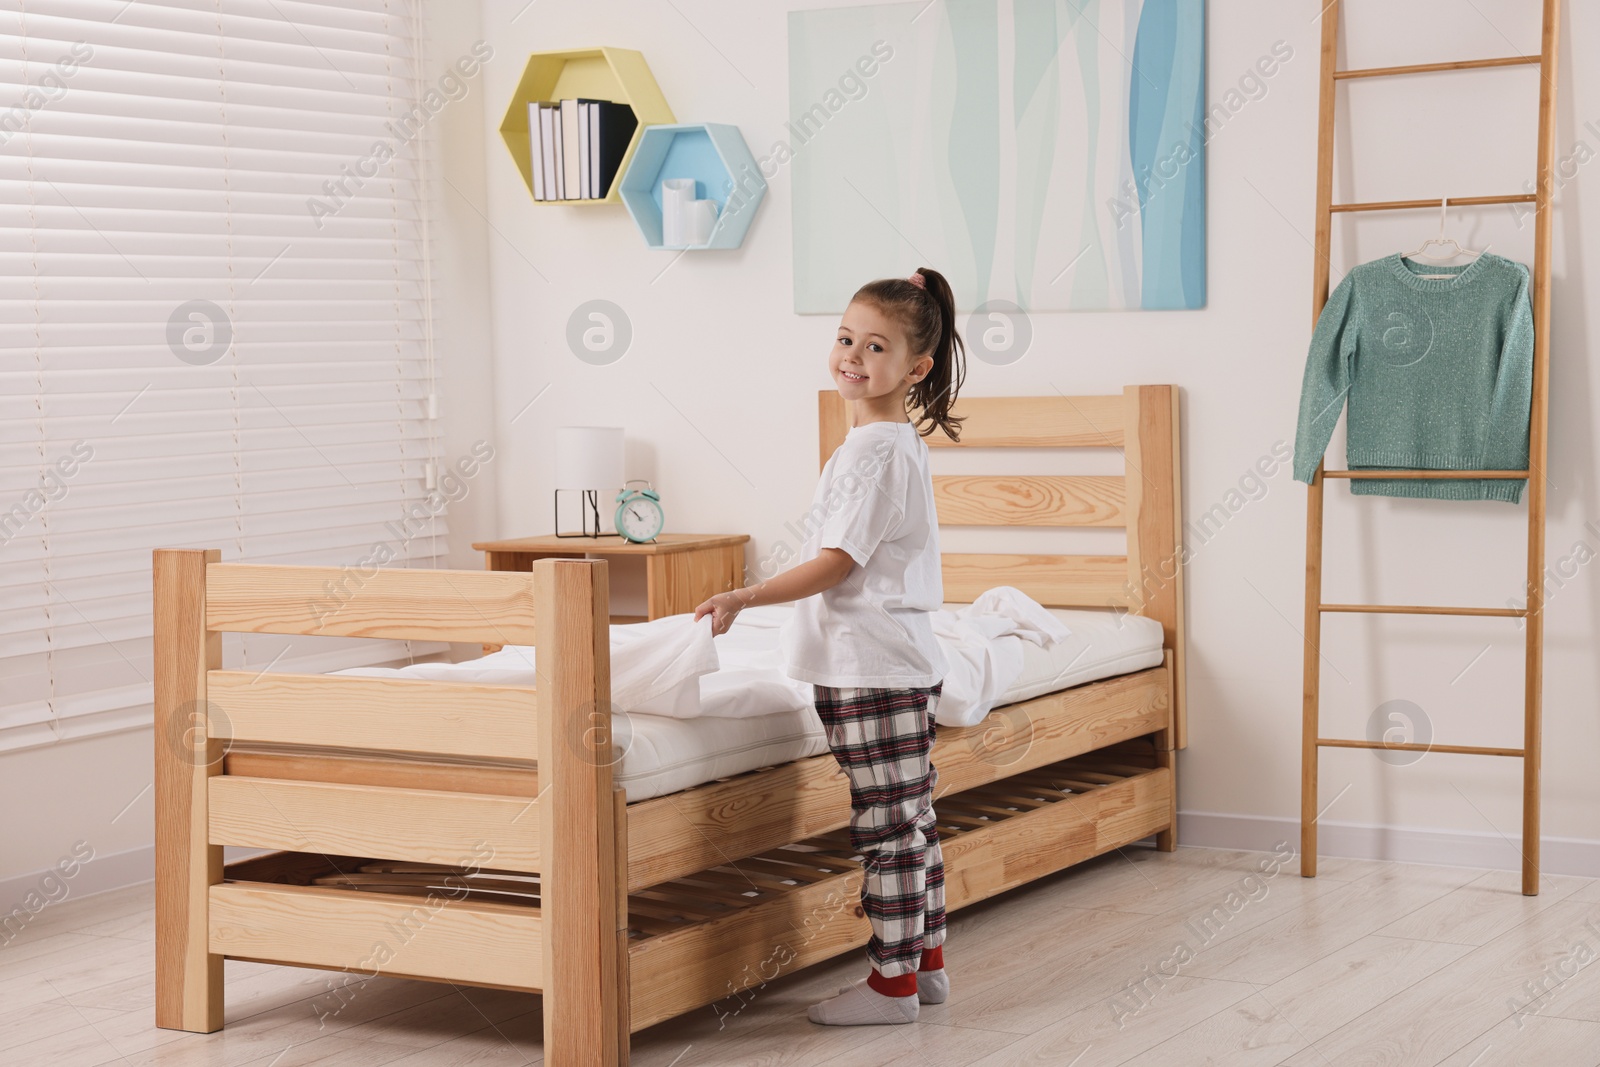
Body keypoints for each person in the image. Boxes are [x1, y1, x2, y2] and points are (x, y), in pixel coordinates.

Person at [694, 266, 966, 1026]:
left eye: (875, 347)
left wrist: (746, 595)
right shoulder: (887, 445)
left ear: (915, 369)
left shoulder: (873, 452)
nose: (852, 356)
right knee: (912, 819)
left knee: (888, 827)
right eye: (845, 338)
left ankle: (891, 987)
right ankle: (925, 963)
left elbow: (835, 563)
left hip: (868, 667)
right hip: (889, 661)